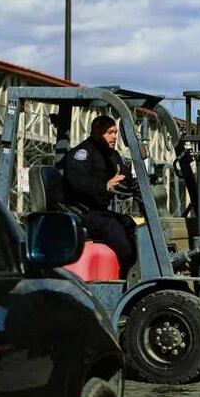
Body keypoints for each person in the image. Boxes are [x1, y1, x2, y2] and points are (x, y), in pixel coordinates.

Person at [60, 114, 138, 276]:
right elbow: (77, 182)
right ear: (97, 131)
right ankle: (128, 273)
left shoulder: (112, 155)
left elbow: (124, 177)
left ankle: (136, 268)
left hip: (100, 212)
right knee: (116, 232)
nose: (114, 137)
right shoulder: (82, 153)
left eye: (115, 133)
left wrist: (135, 185)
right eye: (110, 132)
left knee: (130, 224)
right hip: (82, 212)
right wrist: (104, 186)